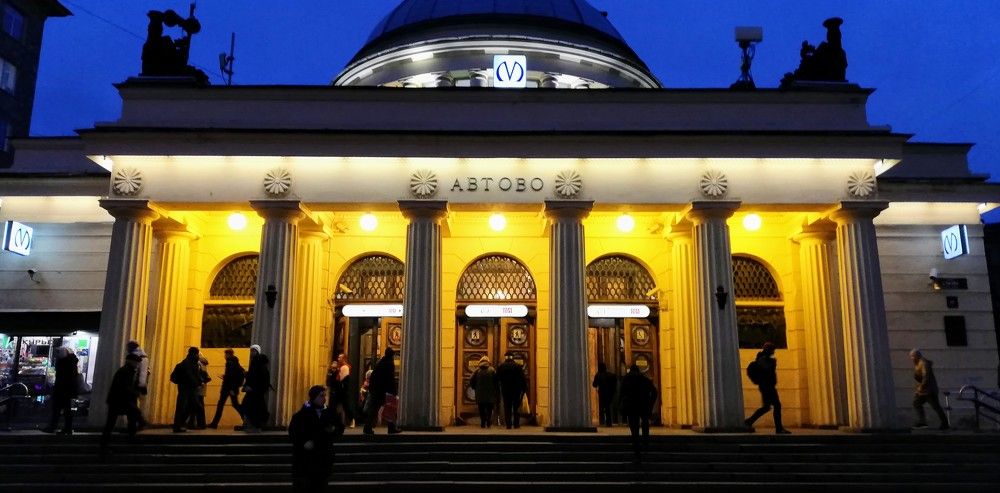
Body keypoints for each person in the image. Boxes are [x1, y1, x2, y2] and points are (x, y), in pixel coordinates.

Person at [289, 385, 342, 491]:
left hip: (323, 457)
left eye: (325, 396)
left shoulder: (330, 413)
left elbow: (339, 428)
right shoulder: (301, 414)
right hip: (306, 459)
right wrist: (304, 443)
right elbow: (294, 433)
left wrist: (334, 430)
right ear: (314, 397)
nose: (324, 398)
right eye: (321, 396)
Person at [744, 342, 791, 435]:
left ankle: (749, 421)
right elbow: (767, 370)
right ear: (769, 350)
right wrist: (773, 363)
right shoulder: (764, 360)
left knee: (766, 407)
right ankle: (779, 428)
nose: (773, 352)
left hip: (766, 386)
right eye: (772, 350)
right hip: (767, 386)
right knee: (776, 405)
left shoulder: (763, 359)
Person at [101, 353, 143, 448]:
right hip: (119, 400)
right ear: (131, 361)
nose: (137, 364)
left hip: (119, 400)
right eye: (136, 362)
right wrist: (135, 393)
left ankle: (105, 444)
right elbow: (124, 386)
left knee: (128, 418)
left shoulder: (128, 371)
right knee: (112, 423)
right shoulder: (125, 371)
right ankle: (104, 445)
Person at [619, 363, 658, 460]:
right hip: (643, 405)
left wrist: (621, 404)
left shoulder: (626, 380)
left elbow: (621, 393)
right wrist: (650, 404)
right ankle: (645, 442)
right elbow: (654, 392)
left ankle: (636, 446)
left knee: (634, 427)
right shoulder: (644, 380)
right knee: (645, 423)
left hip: (631, 406)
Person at [910, 349, 950, 430]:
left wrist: (922, 386)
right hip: (923, 391)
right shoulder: (918, 364)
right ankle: (922, 422)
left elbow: (926, 376)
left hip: (928, 391)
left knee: (935, 406)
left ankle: (944, 423)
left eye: (912, 356)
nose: (911, 358)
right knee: (917, 403)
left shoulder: (923, 363)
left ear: (916, 356)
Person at [363, 347, 400, 435]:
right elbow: (390, 379)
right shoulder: (389, 363)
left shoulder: (380, 362)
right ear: (391, 356)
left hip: (377, 390)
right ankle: (391, 428)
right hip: (385, 390)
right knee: (390, 409)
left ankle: (367, 427)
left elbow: (374, 376)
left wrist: (372, 388)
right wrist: (394, 391)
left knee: (374, 409)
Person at [43, 346, 79, 434]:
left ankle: (56, 427)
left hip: (62, 389)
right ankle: (66, 428)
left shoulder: (64, 363)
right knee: (65, 409)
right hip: (66, 390)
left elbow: (62, 376)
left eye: (58, 353)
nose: (57, 355)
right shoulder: (71, 362)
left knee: (58, 409)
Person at [209, 348, 245, 429]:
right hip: (232, 388)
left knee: (221, 405)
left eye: (225, 354)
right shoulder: (236, 362)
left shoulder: (229, 363)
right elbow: (234, 374)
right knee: (235, 404)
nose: (224, 356)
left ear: (228, 354)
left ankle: (214, 424)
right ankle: (245, 419)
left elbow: (231, 376)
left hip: (228, 388)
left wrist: (231, 388)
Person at [170, 347, 201, 433]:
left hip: (186, 388)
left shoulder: (189, 362)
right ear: (195, 354)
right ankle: (178, 425)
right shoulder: (189, 363)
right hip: (187, 388)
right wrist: (197, 383)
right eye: (197, 354)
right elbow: (190, 375)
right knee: (185, 406)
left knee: (187, 406)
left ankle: (179, 424)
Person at [243, 344, 271, 432]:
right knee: (253, 407)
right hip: (255, 390)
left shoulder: (257, 363)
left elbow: (257, 377)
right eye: (251, 351)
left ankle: (255, 426)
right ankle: (253, 425)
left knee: (253, 407)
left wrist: (251, 387)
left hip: (255, 390)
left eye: (253, 351)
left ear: (257, 352)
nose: (251, 353)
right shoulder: (256, 362)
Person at [496, 351, 528, 429]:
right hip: (516, 390)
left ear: (505, 357)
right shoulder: (517, 366)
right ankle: (516, 424)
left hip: (505, 389)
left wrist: (497, 389)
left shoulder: (501, 366)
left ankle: (508, 424)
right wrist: (524, 388)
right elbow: (522, 378)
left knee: (507, 407)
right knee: (516, 407)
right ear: (512, 357)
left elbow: (496, 378)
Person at [125, 340, 150, 428]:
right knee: (132, 405)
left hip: (134, 385)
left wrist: (141, 385)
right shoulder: (143, 356)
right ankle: (136, 423)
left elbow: (142, 372)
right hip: (137, 384)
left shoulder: (136, 356)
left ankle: (138, 422)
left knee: (131, 405)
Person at [470, 356, 498, 428]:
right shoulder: (492, 370)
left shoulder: (477, 370)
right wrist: (496, 389)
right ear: (488, 362)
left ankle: (483, 422)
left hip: (480, 392)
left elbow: (471, 380)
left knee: (481, 408)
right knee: (489, 408)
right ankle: (488, 421)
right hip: (490, 392)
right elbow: (496, 381)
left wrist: (474, 387)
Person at [186, 356, 211, 429]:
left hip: (197, 388)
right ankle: (198, 423)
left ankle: (196, 423)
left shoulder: (198, 364)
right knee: (197, 406)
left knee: (195, 406)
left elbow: (197, 376)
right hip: (201, 389)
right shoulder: (203, 365)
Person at [592, 362, 618, 427]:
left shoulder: (598, 375)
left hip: (602, 393)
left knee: (601, 408)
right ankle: (609, 422)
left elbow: (594, 385)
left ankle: (602, 421)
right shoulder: (610, 375)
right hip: (609, 393)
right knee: (608, 408)